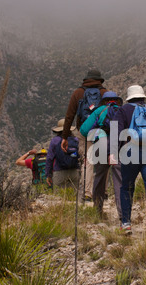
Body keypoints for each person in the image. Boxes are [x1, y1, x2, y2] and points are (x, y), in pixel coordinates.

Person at [112, 85, 146, 242]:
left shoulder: (123, 111)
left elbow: (116, 134)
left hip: (130, 154)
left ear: (129, 97)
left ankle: (126, 224)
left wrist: (113, 153)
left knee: (127, 187)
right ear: (143, 96)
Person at [61, 69, 107, 202]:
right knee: (103, 160)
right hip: (102, 131)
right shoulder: (104, 93)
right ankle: (103, 191)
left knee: (88, 161)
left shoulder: (78, 93)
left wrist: (65, 137)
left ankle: (88, 193)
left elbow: (69, 116)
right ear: (99, 79)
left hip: (84, 131)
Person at [80, 91, 123, 221]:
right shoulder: (122, 110)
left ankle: (98, 211)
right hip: (119, 146)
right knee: (119, 179)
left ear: (104, 101)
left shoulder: (98, 111)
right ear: (116, 100)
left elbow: (83, 130)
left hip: (101, 145)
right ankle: (123, 216)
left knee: (99, 177)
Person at [45, 119, 80, 190]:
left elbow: (49, 158)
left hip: (59, 172)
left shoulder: (55, 140)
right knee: (74, 196)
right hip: (75, 171)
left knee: (59, 197)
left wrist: (48, 175)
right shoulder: (76, 139)